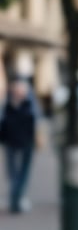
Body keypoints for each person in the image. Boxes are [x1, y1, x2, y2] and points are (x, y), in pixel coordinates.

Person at [0, 76, 39, 213]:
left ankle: (15, 200)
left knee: (16, 173)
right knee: (19, 173)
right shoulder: (23, 106)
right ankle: (15, 201)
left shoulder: (12, 105)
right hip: (19, 142)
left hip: (18, 142)